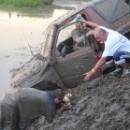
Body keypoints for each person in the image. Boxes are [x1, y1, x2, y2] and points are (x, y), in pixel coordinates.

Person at [0, 88, 70, 130]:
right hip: (11, 105)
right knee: (10, 127)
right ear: (56, 98)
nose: (59, 102)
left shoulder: (47, 93)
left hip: (10, 96)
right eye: (60, 100)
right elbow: (51, 119)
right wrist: (63, 108)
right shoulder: (48, 101)